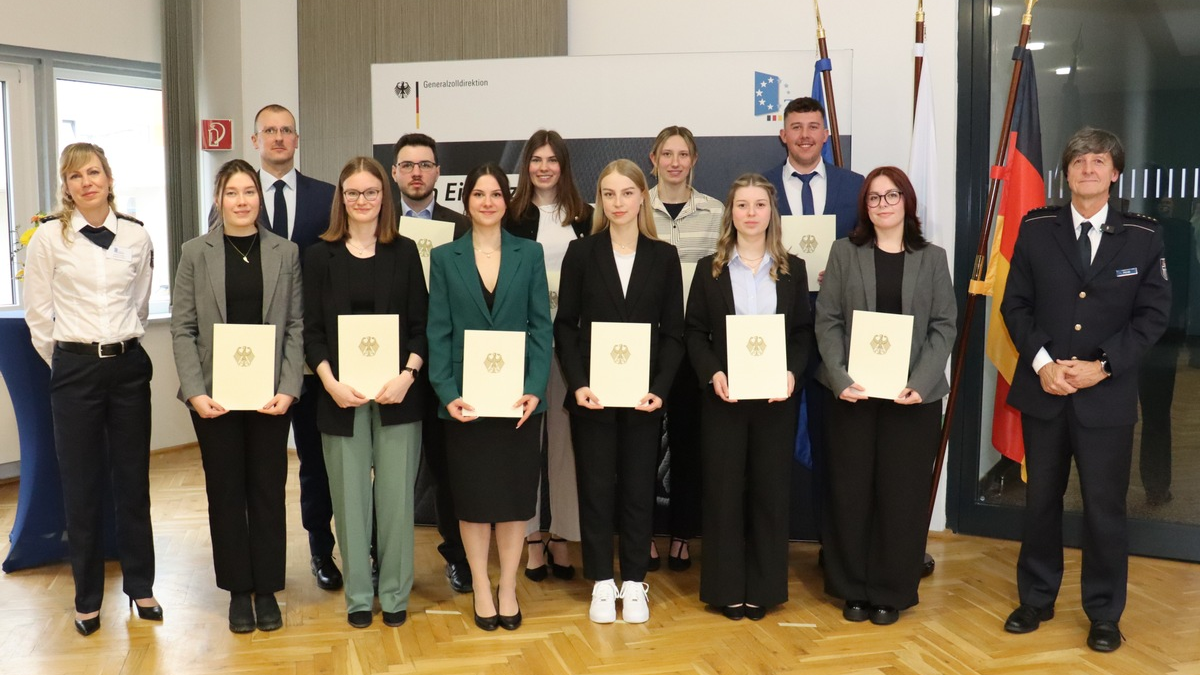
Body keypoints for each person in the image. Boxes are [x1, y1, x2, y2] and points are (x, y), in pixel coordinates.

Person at [1000, 127, 1170, 652]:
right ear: (1066, 173)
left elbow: (1153, 314)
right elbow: (1015, 305)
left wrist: (1104, 366)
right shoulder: (1036, 228)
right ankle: (1036, 598)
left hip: (1107, 396)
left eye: (1099, 161)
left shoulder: (1142, 236)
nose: (1088, 169)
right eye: (1079, 162)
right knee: (1041, 502)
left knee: (1104, 507)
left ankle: (1103, 612)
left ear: (1115, 173)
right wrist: (1044, 362)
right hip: (1045, 390)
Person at [24, 142, 161, 636]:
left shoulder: (137, 235)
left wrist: (115, 347)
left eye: (94, 172)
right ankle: (87, 598)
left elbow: (140, 304)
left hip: (127, 368)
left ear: (108, 177)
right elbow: (39, 316)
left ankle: (141, 586)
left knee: (133, 483)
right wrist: (69, 360)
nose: (86, 182)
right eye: (75, 175)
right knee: (80, 488)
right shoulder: (47, 239)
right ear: (66, 186)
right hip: (75, 371)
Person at [815, 166, 956, 626]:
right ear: (865, 207)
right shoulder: (844, 253)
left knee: (902, 495)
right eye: (874, 198)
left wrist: (919, 379)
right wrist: (839, 376)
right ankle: (852, 587)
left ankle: (892, 591)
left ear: (906, 202)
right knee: (851, 492)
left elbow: (943, 326)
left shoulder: (933, 258)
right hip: (854, 395)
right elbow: (828, 319)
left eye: (891, 195)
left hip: (912, 398)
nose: (883, 204)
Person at [171, 159, 304, 633]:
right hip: (215, 400)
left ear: (260, 199)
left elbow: (296, 327)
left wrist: (290, 388)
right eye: (233, 192)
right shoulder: (194, 252)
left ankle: (267, 588)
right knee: (225, 492)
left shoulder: (285, 252)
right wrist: (194, 392)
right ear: (218, 198)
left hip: (271, 398)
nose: (242, 200)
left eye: (250, 192)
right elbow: (183, 328)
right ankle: (236, 590)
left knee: (267, 491)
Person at [555, 159, 684, 623]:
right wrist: (579, 384)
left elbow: (674, 333)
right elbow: (565, 326)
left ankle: (633, 582)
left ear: (641, 198)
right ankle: (601, 583)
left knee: (636, 490)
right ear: (600, 200)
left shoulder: (663, 256)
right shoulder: (582, 254)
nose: (617, 203)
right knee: (594, 489)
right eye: (608, 194)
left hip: (643, 399)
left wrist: (659, 390)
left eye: (626, 193)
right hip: (594, 397)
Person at [303, 157, 428, 629]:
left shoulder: (406, 251)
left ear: (384, 196)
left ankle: (394, 592)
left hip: (398, 397)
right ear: (341, 199)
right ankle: (358, 595)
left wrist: (408, 374)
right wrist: (330, 381)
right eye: (353, 193)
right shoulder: (318, 256)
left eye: (371, 192)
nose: (362, 201)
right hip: (340, 398)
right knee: (350, 502)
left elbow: (421, 325)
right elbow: (311, 331)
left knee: (396, 503)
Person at [427, 163, 552, 631]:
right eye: (478, 194)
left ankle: (507, 586)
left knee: (516, 500)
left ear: (507, 200)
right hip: (466, 404)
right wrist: (448, 393)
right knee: (475, 501)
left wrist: (535, 390)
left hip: (518, 403)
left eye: (495, 194)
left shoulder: (530, 253)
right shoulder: (444, 258)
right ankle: (481, 583)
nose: (486, 202)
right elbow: (438, 333)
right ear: (467, 201)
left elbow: (541, 328)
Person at [685, 173, 813, 621]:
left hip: (775, 403)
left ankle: (763, 588)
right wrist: (712, 373)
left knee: (769, 494)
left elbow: (802, 334)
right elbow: (694, 333)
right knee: (723, 494)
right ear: (731, 213)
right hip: (725, 400)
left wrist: (791, 374)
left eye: (760, 205)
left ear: (771, 213)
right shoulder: (710, 269)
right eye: (742, 205)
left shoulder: (792, 270)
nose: (751, 213)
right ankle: (724, 590)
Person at [248, 104, 341, 592]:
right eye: (270, 131)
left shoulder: (328, 198)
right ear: (254, 139)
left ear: (297, 139)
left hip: (312, 356)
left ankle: (321, 551)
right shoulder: (238, 198)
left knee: (316, 461)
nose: (279, 138)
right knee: (262, 465)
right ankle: (263, 562)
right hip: (256, 358)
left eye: (287, 131)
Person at [765, 96, 866, 550]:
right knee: (771, 439)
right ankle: (773, 545)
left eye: (813, 126)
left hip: (840, 334)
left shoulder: (856, 186)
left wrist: (844, 271)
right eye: (796, 126)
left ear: (827, 135)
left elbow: (870, 248)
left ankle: (834, 546)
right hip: (775, 331)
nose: (805, 134)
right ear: (782, 134)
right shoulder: (760, 188)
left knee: (837, 444)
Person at [506, 129, 593, 581]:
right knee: (524, 443)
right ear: (526, 166)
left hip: (572, 343)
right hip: (522, 342)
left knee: (564, 444)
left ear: (564, 165)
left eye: (551, 159)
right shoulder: (511, 215)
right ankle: (531, 536)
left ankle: (562, 535)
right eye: (535, 160)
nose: (543, 167)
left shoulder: (585, 216)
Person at [391, 132, 473, 595]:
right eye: (407, 165)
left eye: (425, 164)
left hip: (445, 366)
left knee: (446, 470)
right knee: (391, 468)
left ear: (439, 172)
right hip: (393, 364)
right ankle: (383, 557)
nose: (417, 172)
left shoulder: (461, 226)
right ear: (396, 173)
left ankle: (457, 556)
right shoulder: (379, 224)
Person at [646, 125, 724, 572]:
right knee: (642, 447)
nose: (675, 162)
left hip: (695, 342)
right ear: (653, 158)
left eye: (683, 155)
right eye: (667, 154)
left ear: (694, 160)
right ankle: (645, 537)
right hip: (646, 343)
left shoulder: (715, 213)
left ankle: (681, 535)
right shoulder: (637, 209)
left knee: (689, 443)